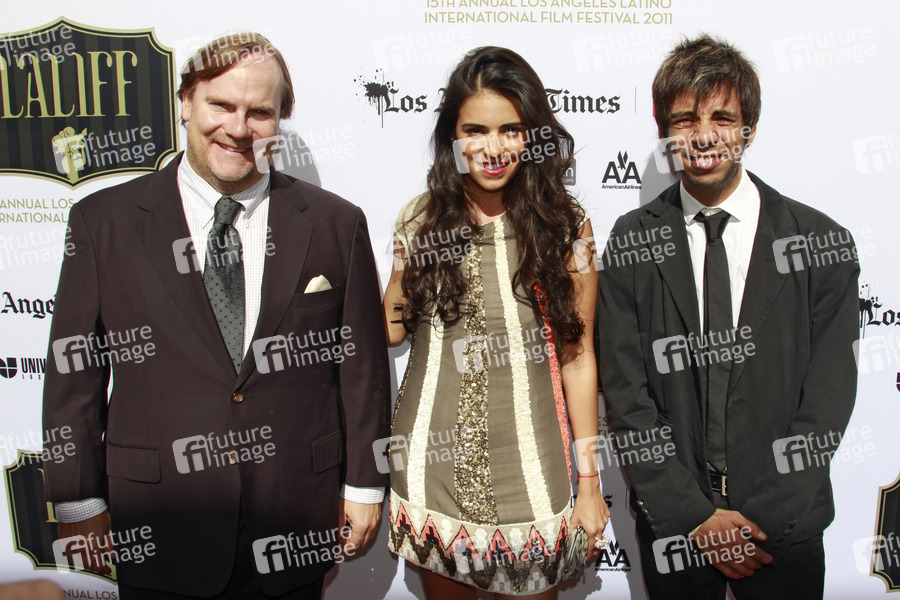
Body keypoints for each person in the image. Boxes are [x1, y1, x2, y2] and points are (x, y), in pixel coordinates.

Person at [41, 32, 390, 599]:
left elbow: (362, 370)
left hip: (295, 520)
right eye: (220, 105)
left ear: (280, 120)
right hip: (158, 521)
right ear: (185, 103)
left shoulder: (334, 223)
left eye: (260, 112)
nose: (238, 128)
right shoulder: (102, 222)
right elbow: (73, 376)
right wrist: (78, 500)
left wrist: (365, 487)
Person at [596, 35, 858, 599]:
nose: (704, 135)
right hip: (676, 529)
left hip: (783, 529)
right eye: (685, 119)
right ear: (664, 129)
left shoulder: (820, 242)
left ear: (749, 128)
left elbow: (829, 397)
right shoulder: (632, 240)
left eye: (722, 117)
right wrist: (693, 517)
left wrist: (760, 522)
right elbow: (624, 391)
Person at [382, 46, 610, 599]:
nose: (492, 147)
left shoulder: (567, 226)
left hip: (533, 466)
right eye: (475, 130)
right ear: (452, 138)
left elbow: (579, 359)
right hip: (431, 460)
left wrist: (589, 481)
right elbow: (391, 327)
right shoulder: (419, 218)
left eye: (511, 130)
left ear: (533, 136)